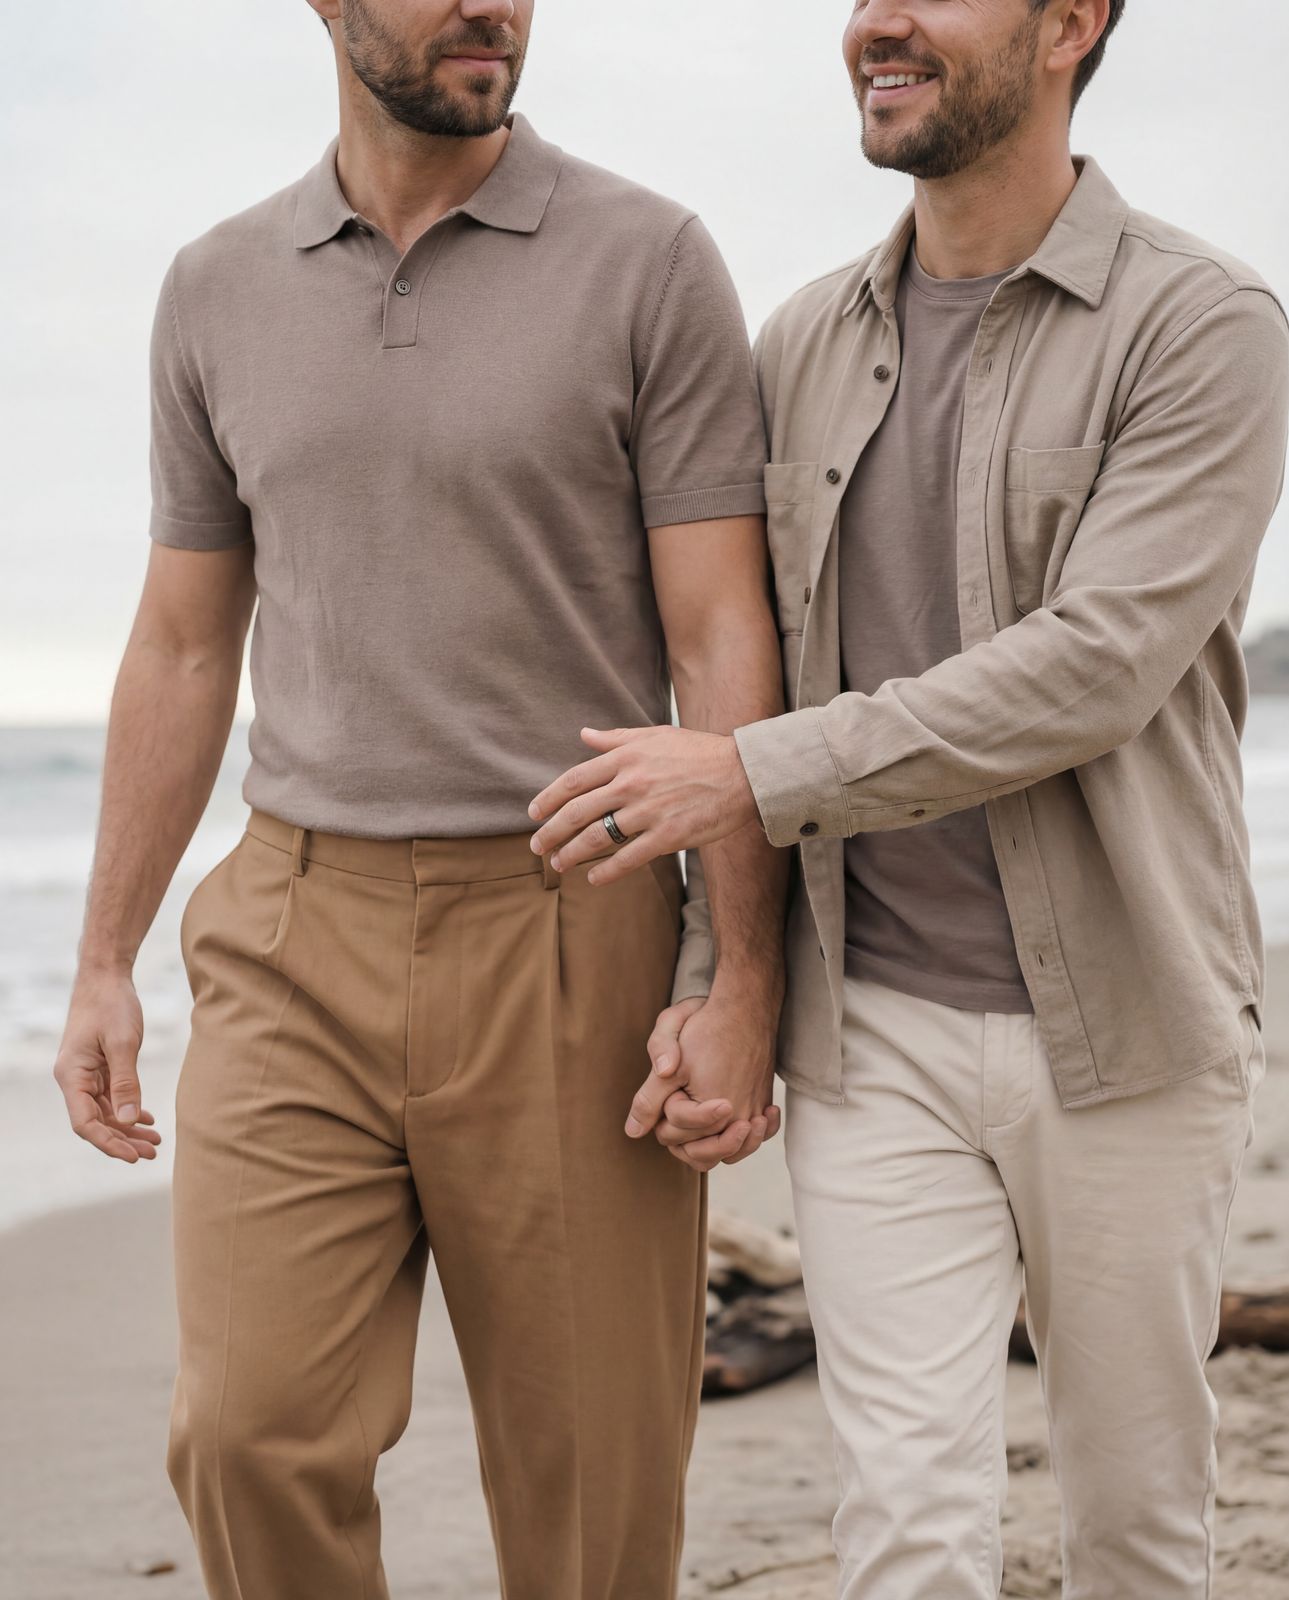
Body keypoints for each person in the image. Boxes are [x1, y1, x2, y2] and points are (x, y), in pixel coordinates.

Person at [528, 1, 1289, 1594]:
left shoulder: (1204, 323)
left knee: (1139, 1522)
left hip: (1130, 1031)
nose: (874, 18)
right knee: (905, 1524)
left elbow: (1089, 668)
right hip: (869, 1024)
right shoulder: (799, 342)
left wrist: (745, 770)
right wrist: (712, 981)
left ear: (1070, 23)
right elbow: (742, 670)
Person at [50, 3, 787, 1596]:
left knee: (591, 1493)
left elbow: (721, 631)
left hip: (567, 925)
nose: (491, 6)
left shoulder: (649, 261)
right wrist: (103, 956)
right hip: (291, 930)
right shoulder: (214, 286)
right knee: (248, 1431)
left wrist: (736, 973)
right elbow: (184, 646)